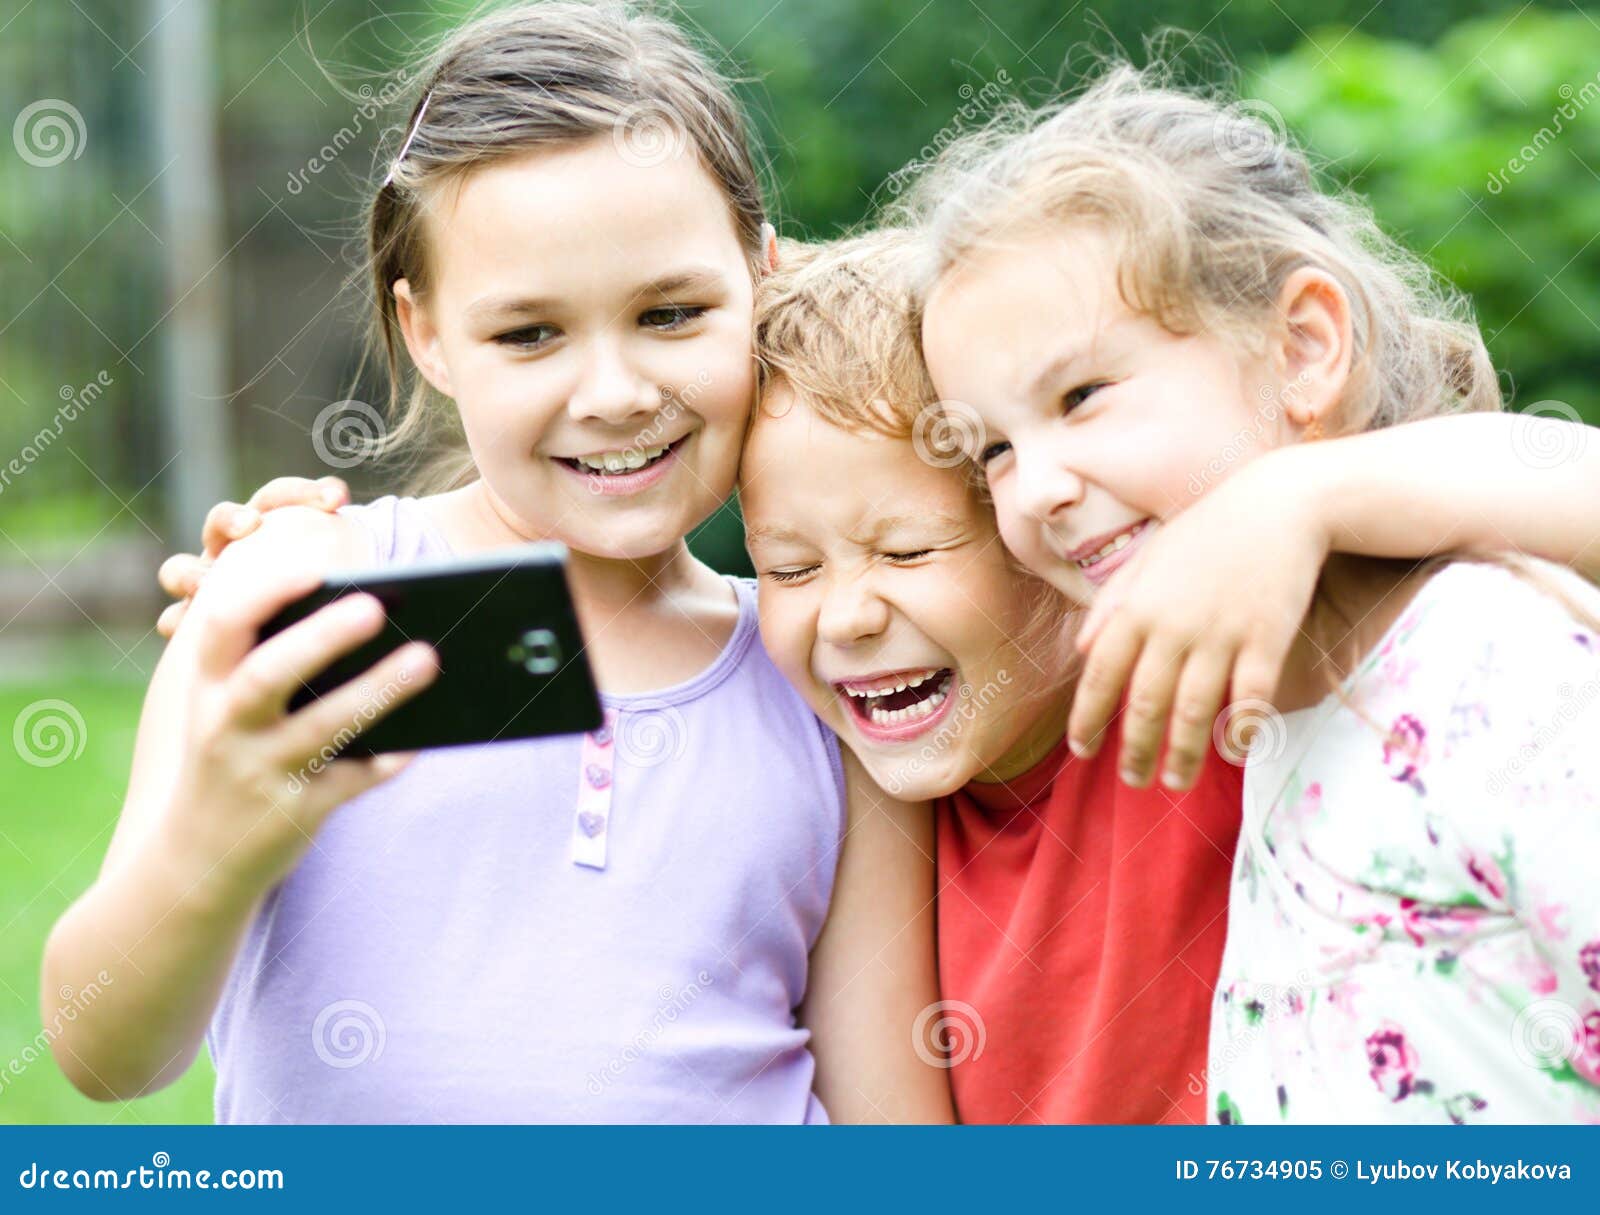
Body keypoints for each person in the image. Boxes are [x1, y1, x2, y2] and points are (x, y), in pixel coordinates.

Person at [41, 2, 950, 1125]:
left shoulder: (823, 663)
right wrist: (217, 839)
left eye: (670, 312)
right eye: (529, 334)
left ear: (760, 281)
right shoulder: (311, 603)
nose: (614, 392)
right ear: (425, 333)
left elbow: (894, 1122)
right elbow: (102, 1051)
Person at [910, 63, 1600, 1121]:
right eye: (994, 449)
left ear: (1302, 350)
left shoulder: (1490, 670)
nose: (1037, 489)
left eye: (1081, 395)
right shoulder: (1260, 723)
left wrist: (1297, 495)